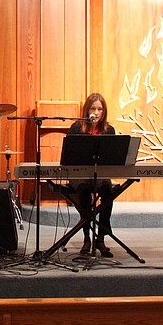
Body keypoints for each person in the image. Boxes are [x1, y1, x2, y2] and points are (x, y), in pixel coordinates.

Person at [67, 93, 116, 258]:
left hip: (100, 174)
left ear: (104, 112)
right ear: (87, 110)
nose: (96, 112)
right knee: (83, 191)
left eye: (99, 109)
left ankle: (101, 238)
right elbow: (70, 157)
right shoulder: (76, 128)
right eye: (93, 108)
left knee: (108, 190)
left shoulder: (109, 130)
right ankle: (87, 238)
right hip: (79, 174)